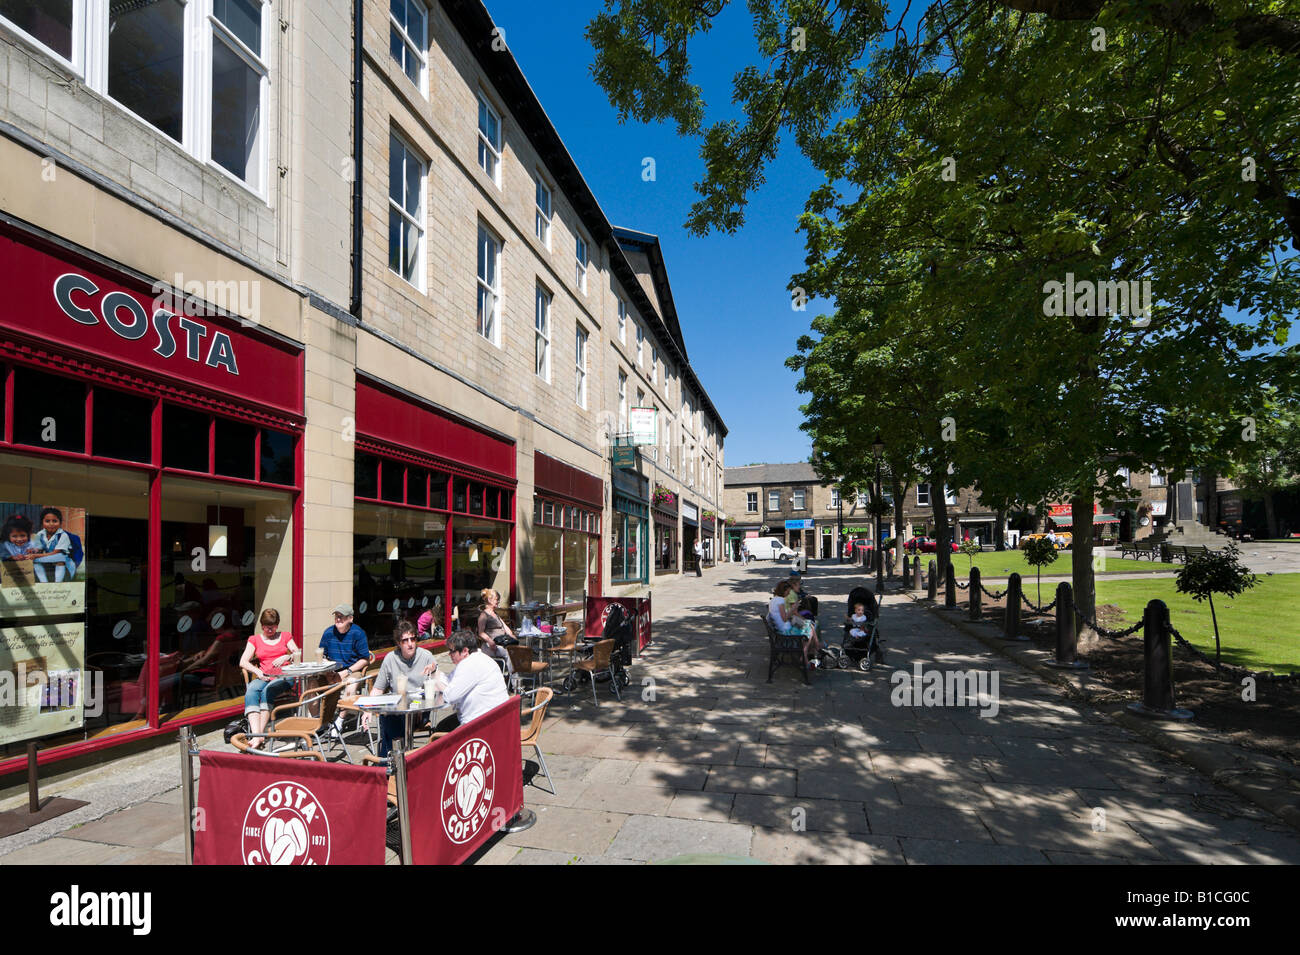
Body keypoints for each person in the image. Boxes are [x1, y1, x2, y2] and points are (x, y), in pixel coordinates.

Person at [371, 620, 435, 757]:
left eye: (413, 639)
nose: (410, 644)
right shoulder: (390, 659)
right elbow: (378, 689)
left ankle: (390, 760)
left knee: (391, 723)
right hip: (398, 709)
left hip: (420, 709)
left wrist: (434, 671)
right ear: (399, 643)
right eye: (405, 640)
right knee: (388, 716)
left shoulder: (426, 656)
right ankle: (395, 760)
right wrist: (368, 709)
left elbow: (439, 686)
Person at [429, 629, 510, 732]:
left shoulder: (469, 664)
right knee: (442, 726)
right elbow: (449, 681)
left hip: (482, 724)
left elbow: (450, 697)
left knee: (439, 732)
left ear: (465, 651)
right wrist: (436, 673)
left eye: (452, 651)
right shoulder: (478, 658)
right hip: (494, 718)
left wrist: (438, 680)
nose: (449, 655)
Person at [239, 608, 298, 748]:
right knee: (252, 690)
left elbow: (298, 653)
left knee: (267, 692)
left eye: (272, 626)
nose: (269, 630)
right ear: (261, 626)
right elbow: (243, 662)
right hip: (264, 676)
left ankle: (258, 736)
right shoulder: (254, 639)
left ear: (277, 625)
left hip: (284, 677)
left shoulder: (285, 636)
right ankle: (257, 735)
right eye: (266, 627)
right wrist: (257, 672)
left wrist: (287, 656)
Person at [319, 603, 371, 694]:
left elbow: (365, 659)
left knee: (351, 685)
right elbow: (322, 655)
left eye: (341, 616)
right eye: (336, 616)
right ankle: (321, 708)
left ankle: (345, 708)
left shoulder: (358, 633)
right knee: (311, 683)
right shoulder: (328, 632)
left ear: (350, 619)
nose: (338, 619)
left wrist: (346, 672)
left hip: (351, 671)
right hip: (331, 672)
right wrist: (328, 670)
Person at [769, 580, 821, 668]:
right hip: (785, 632)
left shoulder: (774, 600)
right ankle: (807, 652)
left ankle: (813, 649)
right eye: (788, 592)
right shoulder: (780, 601)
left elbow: (783, 617)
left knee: (809, 625)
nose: (788, 593)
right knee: (810, 628)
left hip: (781, 628)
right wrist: (793, 608)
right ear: (783, 591)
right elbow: (784, 618)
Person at [475, 589, 515, 675]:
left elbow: (505, 627)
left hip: (502, 643)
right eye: (496, 599)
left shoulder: (495, 614)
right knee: (511, 654)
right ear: (489, 600)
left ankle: (512, 679)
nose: (498, 601)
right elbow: (480, 633)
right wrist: (490, 641)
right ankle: (514, 684)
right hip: (490, 645)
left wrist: (513, 637)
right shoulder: (484, 615)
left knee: (517, 650)